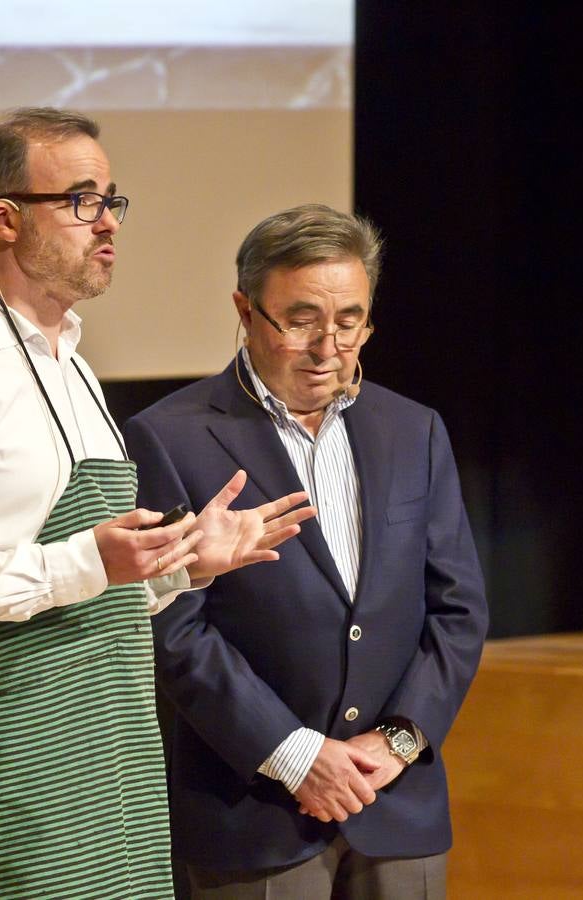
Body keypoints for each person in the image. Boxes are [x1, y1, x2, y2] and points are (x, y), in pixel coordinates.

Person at [0, 108, 314, 900]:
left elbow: (87, 590)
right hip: (20, 742)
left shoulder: (75, 367)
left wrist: (178, 568)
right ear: (1, 219)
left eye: (111, 201)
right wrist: (83, 560)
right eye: (81, 201)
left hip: (111, 739)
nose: (107, 224)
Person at [124, 204, 489, 898]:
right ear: (245, 309)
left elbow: (458, 609)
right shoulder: (169, 437)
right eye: (300, 320)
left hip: (397, 801)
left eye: (349, 321)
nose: (328, 348)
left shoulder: (415, 430)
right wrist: (295, 756)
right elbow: (172, 625)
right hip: (256, 812)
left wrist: (400, 740)